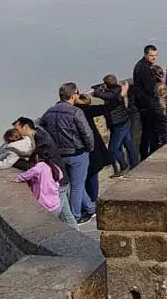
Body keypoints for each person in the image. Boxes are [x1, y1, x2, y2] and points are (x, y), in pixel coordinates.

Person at [38, 82, 96, 224]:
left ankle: (90, 207)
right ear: (73, 95)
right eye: (77, 93)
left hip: (59, 155)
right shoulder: (76, 112)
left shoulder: (50, 111)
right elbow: (87, 133)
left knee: (75, 184)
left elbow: (42, 127)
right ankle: (76, 216)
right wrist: (89, 148)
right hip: (77, 154)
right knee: (77, 186)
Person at [73, 94, 114, 222]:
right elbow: (107, 107)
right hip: (92, 149)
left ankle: (90, 205)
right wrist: (120, 96)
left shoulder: (79, 111)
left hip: (84, 150)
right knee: (90, 176)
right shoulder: (84, 110)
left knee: (85, 179)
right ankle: (91, 204)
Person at [16, 146, 75, 226]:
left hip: (44, 205)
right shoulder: (54, 167)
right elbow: (60, 177)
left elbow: (24, 176)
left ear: (37, 156)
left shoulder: (38, 167)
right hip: (56, 205)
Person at [92, 75, 136, 176]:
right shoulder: (119, 89)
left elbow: (96, 93)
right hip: (125, 120)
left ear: (107, 85)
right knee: (128, 144)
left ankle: (124, 166)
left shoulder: (112, 94)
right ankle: (134, 164)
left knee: (113, 148)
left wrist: (98, 88)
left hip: (119, 123)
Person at [133, 44, 160, 159]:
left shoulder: (142, 65)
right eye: (151, 55)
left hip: (143, 103)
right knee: (150, 131)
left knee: (147, 131)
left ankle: (145, 153)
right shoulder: (144, 69)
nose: (154, 58)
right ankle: (148, 155)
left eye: (155, 55)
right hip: (147, 104)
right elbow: (150, 89)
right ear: (145, 55)